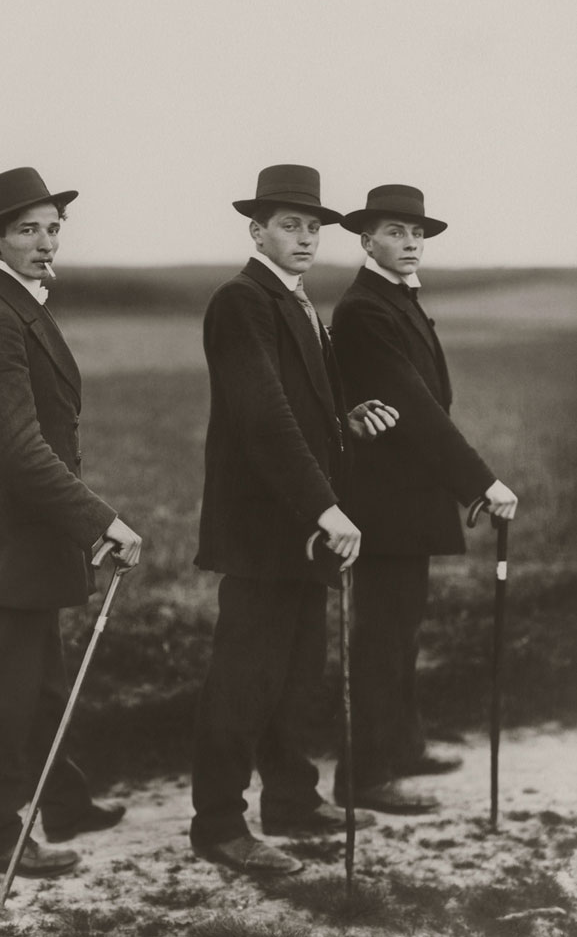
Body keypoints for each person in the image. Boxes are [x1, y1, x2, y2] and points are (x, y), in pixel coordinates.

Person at [190, 164, 398, 875]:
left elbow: (301, 406)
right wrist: (324, 505)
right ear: (257, 230)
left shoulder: (297, 301)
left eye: (312, 226)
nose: (305, 236)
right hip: (261, 529)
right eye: (289, 224)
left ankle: (290, 798)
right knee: (244, 678)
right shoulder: (240, 301)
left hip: (301, 527)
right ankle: (218, 823)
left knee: (298, 671)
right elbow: (264, 416)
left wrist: (345, 418)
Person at [0, 167, 142, 876]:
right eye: (28, 229)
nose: (45, 241)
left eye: (53, 227)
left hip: (27, 535)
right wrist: (100, 522)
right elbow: (18, 448)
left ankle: (62, 803)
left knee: (44, 677)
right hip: (10, 538)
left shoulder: (17, 302)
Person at [329, 184, 518, 814]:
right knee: (381, 636)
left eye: (417, 234)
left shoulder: (394, 299)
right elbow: (414, 408)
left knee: (401, 630)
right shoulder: (364, 310)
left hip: (408, 498)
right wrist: (481, 483)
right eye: (395, 232)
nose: (409, 243)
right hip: (383, 502)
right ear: (366, 240)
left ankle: (402, 746)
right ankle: (364, 775)